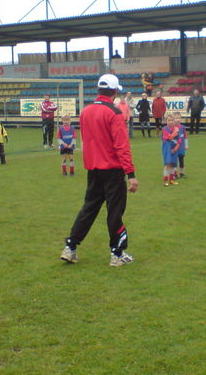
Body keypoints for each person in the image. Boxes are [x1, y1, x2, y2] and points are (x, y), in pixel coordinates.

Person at [60, 74, 138, 267]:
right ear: (114, 91)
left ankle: (71, 247)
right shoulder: (114, 113)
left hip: (93, 169)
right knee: (115, 211)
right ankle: (117, 254)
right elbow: (122, 146)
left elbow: (88, 140)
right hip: (112, 170)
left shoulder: (86, 111)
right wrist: (131, 174)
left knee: (89, 209)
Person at [161, 113, 181, 187]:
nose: (171, 122)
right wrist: (175, 132)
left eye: (172, 120)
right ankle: (165, 181)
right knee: (168, 164)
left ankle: (171, 180)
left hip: (174, 148)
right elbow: (169, 138)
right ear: (166, 121)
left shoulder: (176, 129)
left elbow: (179, 141)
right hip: (167, 148)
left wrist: (175, 149)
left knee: (173, 164)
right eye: (169, 120)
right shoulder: (164, 129)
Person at [174, 112, 188, 179]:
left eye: (179, 118)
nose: (178, 120)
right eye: (176, 118)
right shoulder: (172, 128)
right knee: (175, 162)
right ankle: (175, 174)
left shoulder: (183, 127)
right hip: (174, 148)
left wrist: (186, 145)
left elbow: (185, 137)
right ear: (174, 119)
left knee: (181, 161)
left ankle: (182, 173)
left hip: (181, 148)